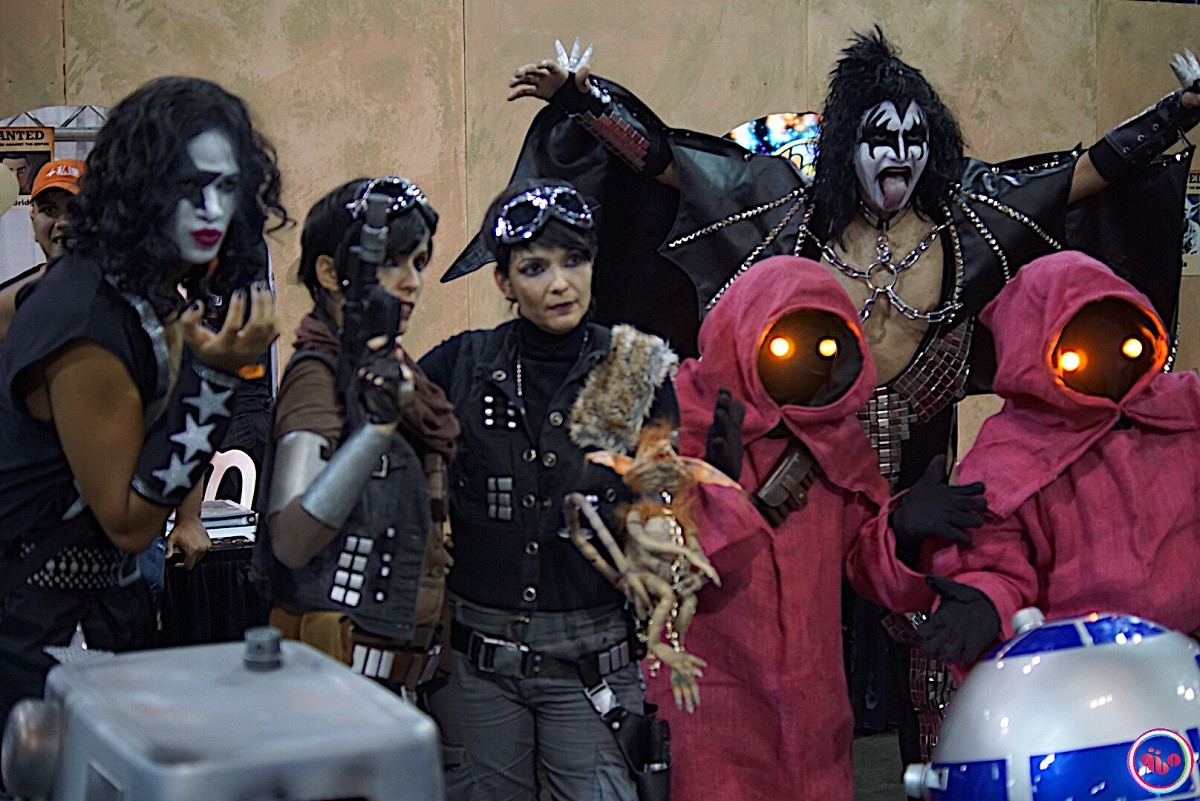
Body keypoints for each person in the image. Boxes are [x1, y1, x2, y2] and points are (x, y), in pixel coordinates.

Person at [457, 30, 1200, 761]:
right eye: (881, 136)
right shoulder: (788, 208)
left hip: (916, 456)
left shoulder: (970, 219)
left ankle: (938, 768)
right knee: (775, 629)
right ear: (847, 143)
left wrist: (1178, 112)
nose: (899, 152)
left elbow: (1084, 175)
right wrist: (585, 103)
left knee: (934, 633)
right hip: (803, 462)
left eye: (914, 137)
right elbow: (669, 164)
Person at [0, 76, 283, 726]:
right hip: (33, 626)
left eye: (225, 186)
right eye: (188, 186)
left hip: (103, 603)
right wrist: (214, 381)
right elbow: (127, 520)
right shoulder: (87, 312)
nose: (209, 209)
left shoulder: (143, 295)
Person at [657, 254, 964, 801]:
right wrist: (712, 492)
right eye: (783, 341)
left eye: (826, 346)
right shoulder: (681, 419)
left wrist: (903, 530)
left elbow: (865, 561)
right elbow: (666, 568)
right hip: (707, 697)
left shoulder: (836, 443)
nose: (805, 359)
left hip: (811, 706)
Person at [420, 178, 683, 801]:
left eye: (575, 261)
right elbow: (389, 451)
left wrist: (660, 530)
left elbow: (661, 498)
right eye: (535, 268)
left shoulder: (633, 368)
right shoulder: (460, 365)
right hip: (478, 665)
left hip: (593, 660)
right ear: (504, 281)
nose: (560, 283)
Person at [918, 250, 1200, 666]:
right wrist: (984, 600)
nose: (1108, 362)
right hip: (1072, 665)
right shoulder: (1008, 455)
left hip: (1185, 654)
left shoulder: (1183, 411)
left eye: (1127, 343)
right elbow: (991, 554)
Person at [260, 176, 459, 695]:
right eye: (392, 262)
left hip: (395, 672)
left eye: (419, 263)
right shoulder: (318, 375)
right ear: (330, 272)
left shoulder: (396, 372)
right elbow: (292, 540)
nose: (412, 282)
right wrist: (375, 430)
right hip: (334, 677)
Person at [0, 158, 86, 342]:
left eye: (76, 210)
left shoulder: (120, 300)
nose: (63, 222)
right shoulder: (9, 303)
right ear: (32, 220)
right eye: (48, 210)